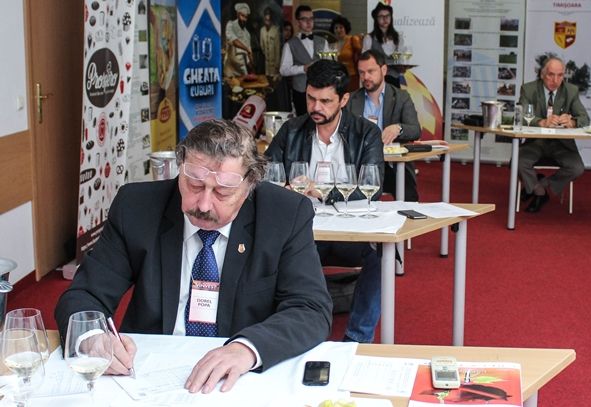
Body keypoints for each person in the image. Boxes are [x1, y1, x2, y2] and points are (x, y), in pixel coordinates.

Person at [55, 120, 333, 393]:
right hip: (147, 372)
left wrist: (247, 348)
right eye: (194, 184)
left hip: (238, 381)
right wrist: (93, 338)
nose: (204, 204)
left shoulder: (283, 214)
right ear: (180, 168)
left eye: (222, 192)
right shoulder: (136, 207)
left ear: (250, 184)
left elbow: (310, 308)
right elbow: (84, 294)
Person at [265, 59, 384, 343]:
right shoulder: (291, 130)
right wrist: (286, 188)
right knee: (268, 252)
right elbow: (265, 176)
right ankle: (287, 332)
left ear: (344, 99)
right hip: (301, 232)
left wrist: (323, 191)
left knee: (382, 256)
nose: (315, 107)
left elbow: (374, 187)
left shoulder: (366, 133)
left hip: (350, 232)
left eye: (325, 101)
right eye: (310, 98)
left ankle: (356, 339)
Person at [348, 49, 422, 202]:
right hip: (360, 164)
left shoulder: (401, 97)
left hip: (393, 165)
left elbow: (415, 130)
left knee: (409, 197)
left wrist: (398, 128)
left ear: (384, 70)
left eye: (370, 71)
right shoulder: (351, 99)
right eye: (361, 72)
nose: (365, 77)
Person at [518, 56, 590, 213]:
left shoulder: (570, 91)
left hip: (561, 143)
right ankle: (539, 193)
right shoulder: (528, 89)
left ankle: (541, 184)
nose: (555, 80)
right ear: (542, 74)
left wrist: (572, 122)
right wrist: (541, 122)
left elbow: (585, 118)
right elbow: (520, 116)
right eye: (551, 75)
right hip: (535, 142)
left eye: (560, 75)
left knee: (577, 168)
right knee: (518, 162)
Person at [279, 5, 325, 116]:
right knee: (302, 121)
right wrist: (303, 68)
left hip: (321, 90)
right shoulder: (290, 44)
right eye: (304, 19)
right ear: (298, 22)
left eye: (311, 19)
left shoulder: (323, 42)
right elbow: (283, 70)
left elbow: (330, 64)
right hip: (300, 91)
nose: (309, 22)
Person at [363, 2, 401, 88]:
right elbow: (364, 60)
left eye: (387, 16)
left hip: (394, 79)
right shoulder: (369, 38)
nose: (385, 19)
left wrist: (401, 67)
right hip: (377, 80)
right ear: (376, 19)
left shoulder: (397, 37)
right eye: (381, 16)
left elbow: (400, 59)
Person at [330, 15, 362, 92]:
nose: (338, 30)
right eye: (336, 28)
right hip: (339, 78)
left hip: (352, 76)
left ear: (345, 28)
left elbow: (361, 55)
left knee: (352, 97)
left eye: (341, 27)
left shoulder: (353, 39)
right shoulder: (333, 45)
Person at [224, 3, 253, 77]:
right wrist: (247, 49)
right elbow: (234, 41)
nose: (244, 19)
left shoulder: (247, 34)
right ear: (237, 14)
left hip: (242, 67)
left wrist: (252, 67)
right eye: (242, 16)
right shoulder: (230, 25)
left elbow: (249, 52)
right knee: (231, 83)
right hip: (231, 67)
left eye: (246, 17)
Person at [260, 8, 281, 78]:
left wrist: (277, 64)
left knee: (274, 80)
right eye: (266, 20)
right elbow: (262, 45)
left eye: (269, 20)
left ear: (271, 19)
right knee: (267, 79)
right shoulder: (262, 30)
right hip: (266, 63)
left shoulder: (275, 30)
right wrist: (266, 54)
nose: (267, 22)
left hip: (274, 64)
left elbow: (277, 49)